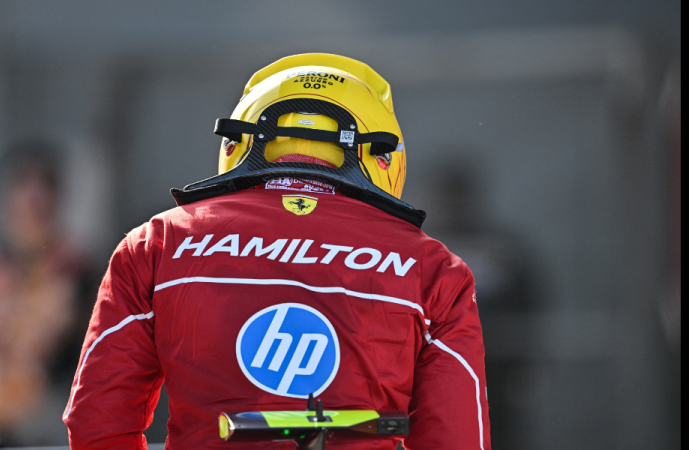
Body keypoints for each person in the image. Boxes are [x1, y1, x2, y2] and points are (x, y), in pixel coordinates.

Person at [63, 54, 491, 450]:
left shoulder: (157, 244)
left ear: (240, 141)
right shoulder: (433, 269)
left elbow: (97, 423)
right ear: (381, 155)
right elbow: (455, 437)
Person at [0, 141, 96, 447]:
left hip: (46, 421)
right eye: (20, 195)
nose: (29, 209)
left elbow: (56, 353)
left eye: (40, 202)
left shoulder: (75, 273)